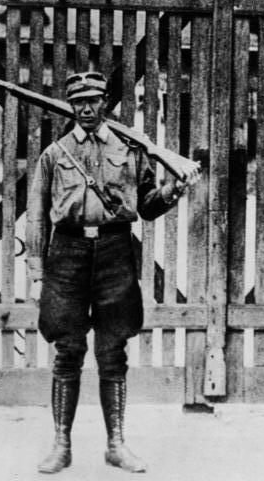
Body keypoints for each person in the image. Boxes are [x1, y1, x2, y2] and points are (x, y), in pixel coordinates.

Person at [26, 70, 201, 474]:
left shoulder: (129, 149)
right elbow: (36, 216)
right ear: (71, 106)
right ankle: (61, 445)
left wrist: (176, 188)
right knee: (67, 351)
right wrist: (38, 273)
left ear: (105, 102)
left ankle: (116, 444)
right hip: (66, 253)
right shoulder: (54, 154)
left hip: (115, 251)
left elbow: (148, 206)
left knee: (112, 351)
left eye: (93, 100)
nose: (86, 108)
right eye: (79, 102)